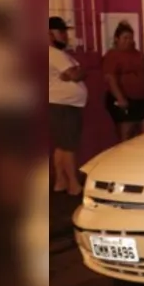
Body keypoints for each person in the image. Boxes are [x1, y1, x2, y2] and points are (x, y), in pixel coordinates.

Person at [48, 17, 86, 196]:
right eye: (61, 31)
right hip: (63, 105)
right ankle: (73, 183)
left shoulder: (58, 53)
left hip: (62, 104)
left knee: (62, 145)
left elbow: (76, 73)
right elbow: (76, 75)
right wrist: (78, 72)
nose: (65, 35)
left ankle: (60, 181)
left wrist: (77, 72)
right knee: (68, 145)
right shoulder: (53, 53)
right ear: (49, 34)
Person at [103, 22, 144, 142]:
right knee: (126, 134)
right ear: (117, 39)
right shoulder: (113, 55)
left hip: (143, 99)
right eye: (125, 38)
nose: (128, 41)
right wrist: (120, 98)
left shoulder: (137, 54)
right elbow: (110, 77)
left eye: (130, 38)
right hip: (126, 99)